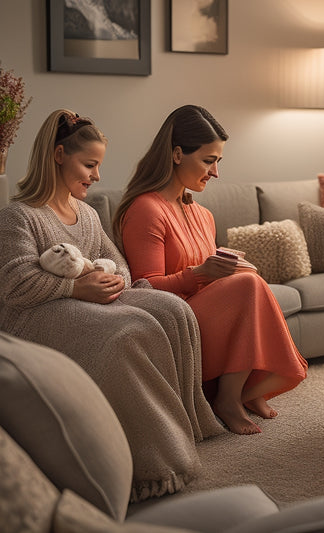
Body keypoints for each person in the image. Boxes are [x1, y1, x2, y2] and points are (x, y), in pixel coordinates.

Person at [0, 109, 224, 502]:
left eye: (98, 166)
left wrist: (110, 277)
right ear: (57, 155)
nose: (97, 176)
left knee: (174, 311)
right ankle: (151, 464)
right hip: (32, 318)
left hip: (86, 301)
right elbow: (14, 284)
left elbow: (117, 262)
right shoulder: (18, 216)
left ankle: (189, 427)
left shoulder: (86, 213)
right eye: (89, 165)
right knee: (129, 332)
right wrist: (75, 288)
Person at [113, 105, 308, 435]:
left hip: (204, 314)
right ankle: (229, 399)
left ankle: (247, 391)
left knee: (249, 278)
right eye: (208, 160)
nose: (216, 172)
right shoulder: (146, 209)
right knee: (248, 285)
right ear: (177, 154)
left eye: (218, 161)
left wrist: (232, 269)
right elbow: (143, 289)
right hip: (175, 321)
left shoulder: (203, 215)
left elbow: (210, 280)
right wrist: (202, 273)